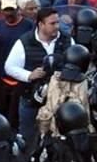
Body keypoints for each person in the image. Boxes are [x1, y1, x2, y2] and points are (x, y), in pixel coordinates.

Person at [4, 8, 72, 149]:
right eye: (52, 23)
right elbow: (9, 67)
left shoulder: (67, 40)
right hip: (31, 99)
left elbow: (76, 61)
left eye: (57, 22)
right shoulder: (24, 42)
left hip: (60, 100)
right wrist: (29, 75)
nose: (57, 26)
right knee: (28, 139)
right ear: (40, 24)